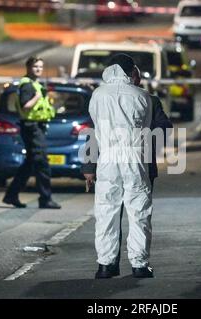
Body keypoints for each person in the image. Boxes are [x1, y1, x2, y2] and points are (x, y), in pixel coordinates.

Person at [82, 65, 173, 277]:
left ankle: (105, 265)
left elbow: (93, 132)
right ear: (130, 73)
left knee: (106, 212)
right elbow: (160, 128)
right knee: (139, 212)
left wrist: (89, 166)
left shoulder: (98, 95)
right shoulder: (145, 97)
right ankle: (139, 265)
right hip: (136, 158)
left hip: (107, 159)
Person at [3, 56, 61, 209]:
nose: (39, 69)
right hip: (31, 127)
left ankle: (11, 195)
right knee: (42, 163)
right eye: (36, 67)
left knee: (29, 164)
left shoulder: (34, 83)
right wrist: (37, 96)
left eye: (41, 67)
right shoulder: (28, 86)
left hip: (36, 126)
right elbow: (26, 106)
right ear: (28, 68)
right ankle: (45, 198)